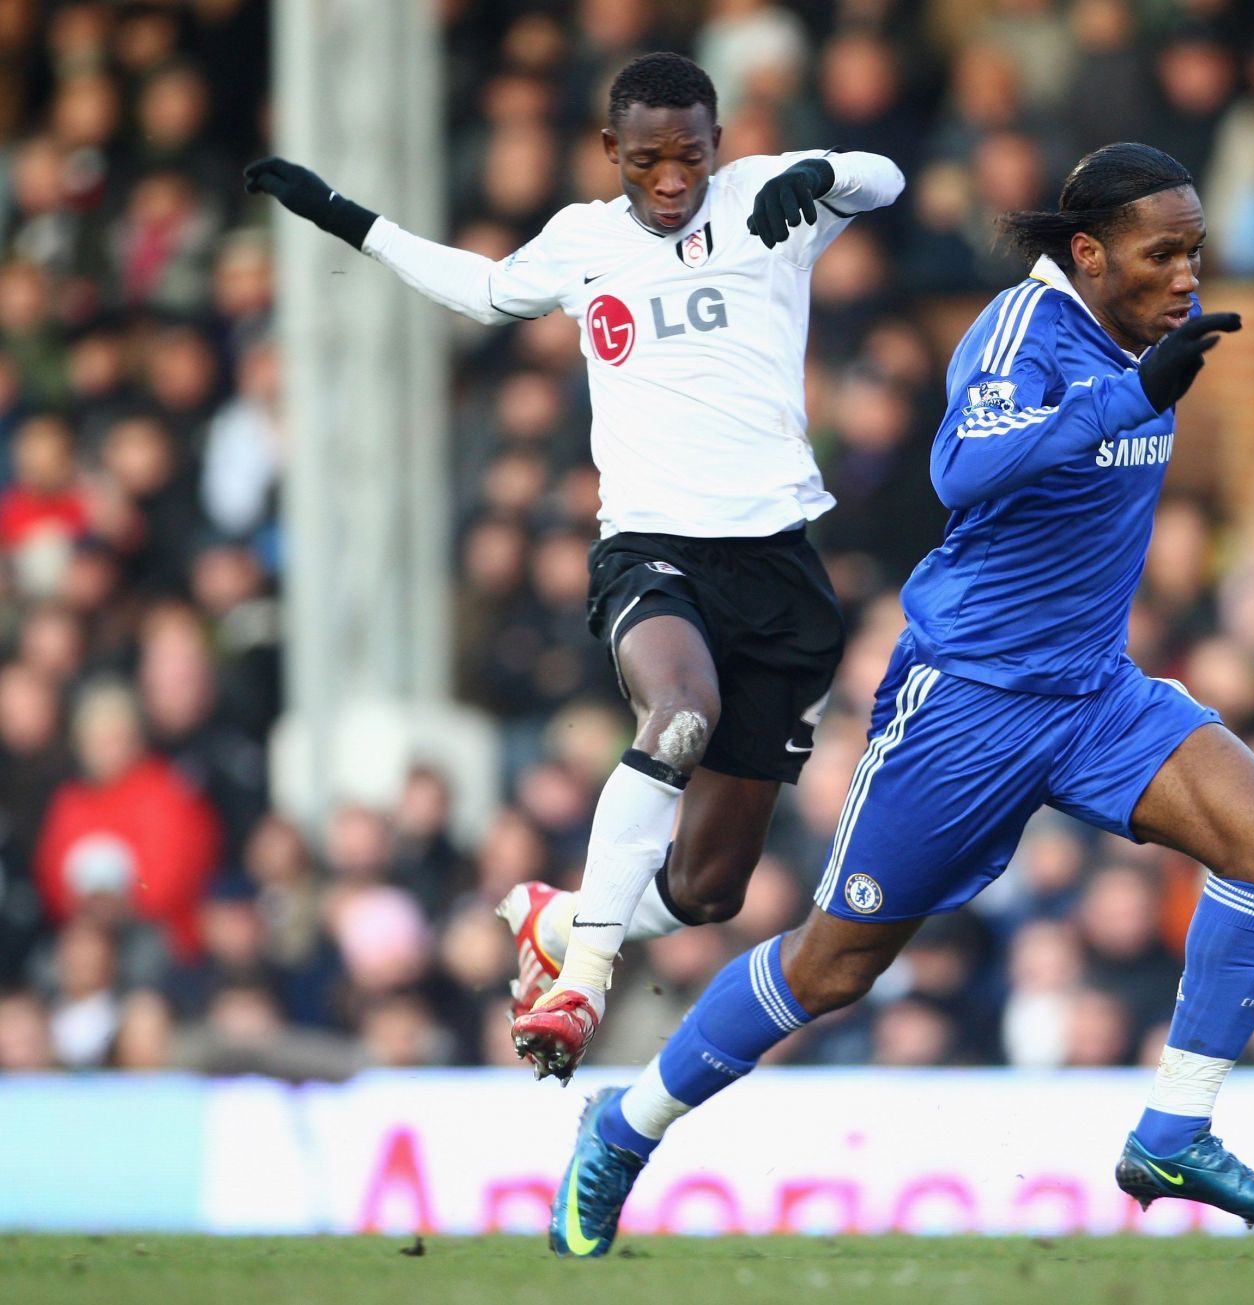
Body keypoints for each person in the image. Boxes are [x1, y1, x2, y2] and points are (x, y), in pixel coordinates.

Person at [543, 143, 1254, 1258]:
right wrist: (1131, 396)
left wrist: (1140, 382)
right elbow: (962, 472)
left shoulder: (1149, 339)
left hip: (1094, 692)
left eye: (1197, 250)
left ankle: (1173, 1131)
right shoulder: (1023, 333)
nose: (1189, 274)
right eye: (1165, 253)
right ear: (1090, 253)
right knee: (833, 965)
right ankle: (627, 1125)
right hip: (966, 708)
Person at [244, 53, 903, 1081]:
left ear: (718, 141)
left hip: (776, 568)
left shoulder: (770, 197)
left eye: (691, 155)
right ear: (611, 153)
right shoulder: (583, 241)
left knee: (711, 890)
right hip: (652, 553)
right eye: (648, 160)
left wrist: (824, 177)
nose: (673, 180)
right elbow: (485, 290)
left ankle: (562, 916)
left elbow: (884, 175)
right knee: (677, 710)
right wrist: (346, 218)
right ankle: (581, 984)